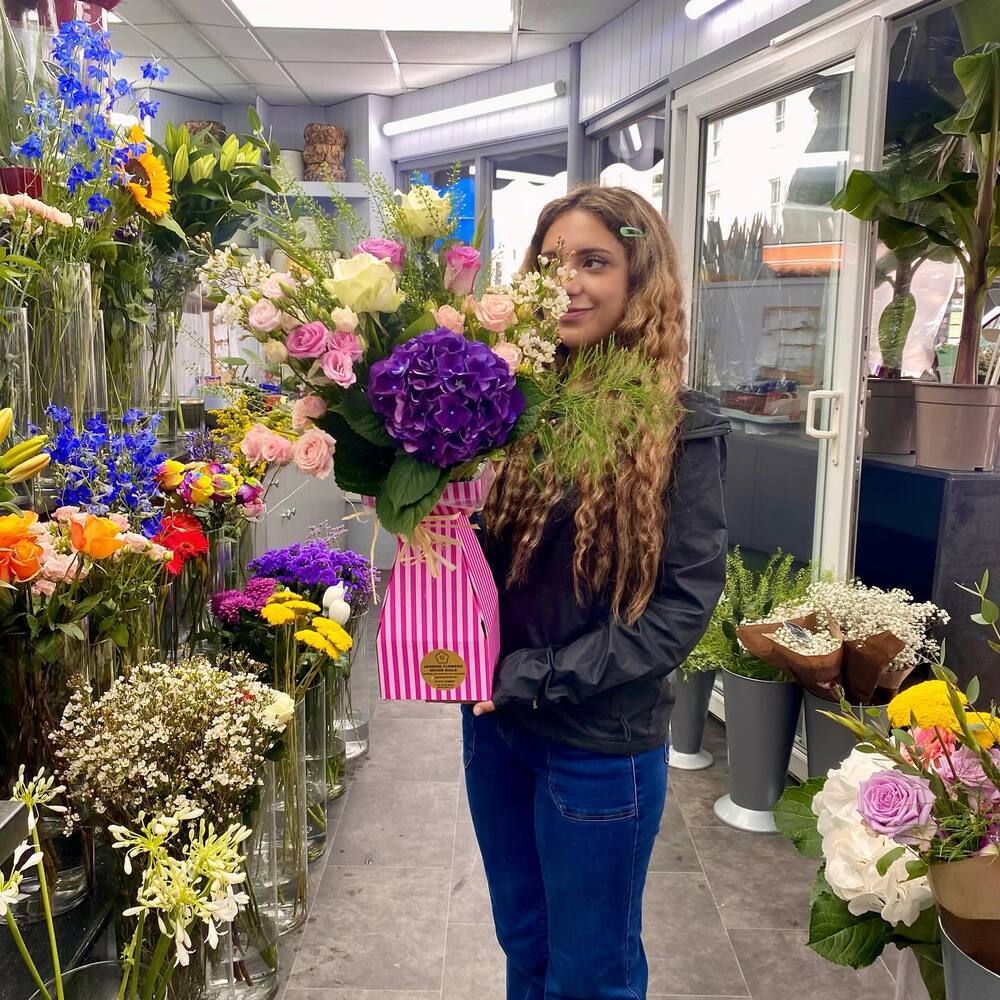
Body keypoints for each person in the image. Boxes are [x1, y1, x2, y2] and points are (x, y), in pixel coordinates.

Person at [464, 184, 729, 1000]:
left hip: (598, 745)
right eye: (550, 264)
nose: (568, 282)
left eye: (593, 261)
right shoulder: (509, 407)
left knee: (591, 973)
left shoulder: (682, 423)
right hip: (495, 733)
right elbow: (484, 563)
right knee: (526, 946)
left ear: (638, 277)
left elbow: (681, 608)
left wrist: (535, 678)